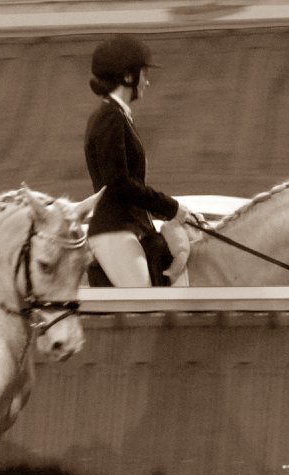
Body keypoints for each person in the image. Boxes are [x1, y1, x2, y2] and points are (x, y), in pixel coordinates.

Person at [84, 34, 191, 287]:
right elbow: (118, 183)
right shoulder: (110, 117)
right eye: (144, 74)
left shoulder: (118, 115)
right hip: (114, 230)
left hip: (129, 226)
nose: (147, 81)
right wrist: (170, 207)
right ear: (128, 77)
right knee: (144, 298)